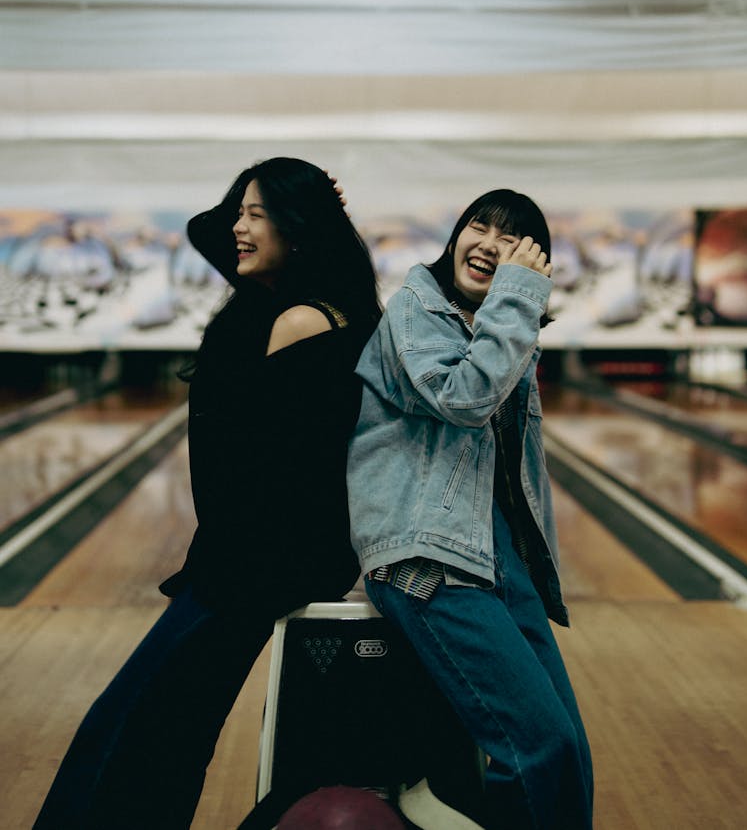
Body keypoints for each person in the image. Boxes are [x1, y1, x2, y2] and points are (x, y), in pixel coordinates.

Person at [33, 157, 381, 830]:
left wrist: (230, 567)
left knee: (142, 726)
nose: (237, 228)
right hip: (237, 560)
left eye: (256, 214)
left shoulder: (304, 320)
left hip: (252, 567)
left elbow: (281, 472)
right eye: (240, 211)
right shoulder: (279, 303)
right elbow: (210, 233)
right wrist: (288, 206)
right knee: (158, 727)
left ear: (298, 228)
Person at [347, 189, 594, 830]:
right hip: (431, 558)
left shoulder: (504, 332)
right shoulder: (415, 310)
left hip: (500, 559)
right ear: (455, 236)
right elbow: (463, 398)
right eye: (477, 228)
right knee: (538, 747)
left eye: (509, 241)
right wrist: (516, 293)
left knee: (567, 751)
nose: (487, 244)